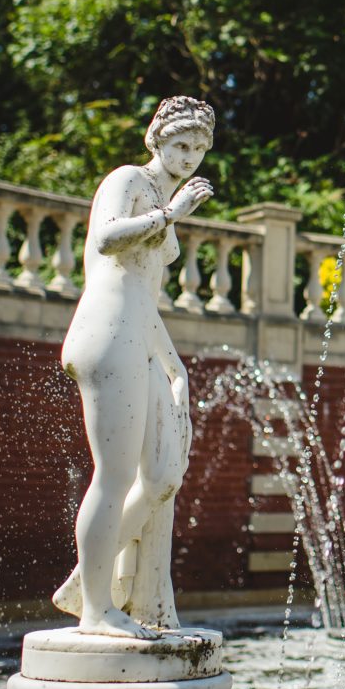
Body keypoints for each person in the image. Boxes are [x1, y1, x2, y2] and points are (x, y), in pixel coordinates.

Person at [51, 96, 215, 639]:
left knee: (164, 474)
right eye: (179, 145)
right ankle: (98, 608)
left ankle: (85, 583)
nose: (189, 156)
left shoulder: (163, 203)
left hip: (140, 333)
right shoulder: (128, 181)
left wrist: (176, 368)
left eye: (198, 148)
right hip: (107, 331)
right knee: (117, 475)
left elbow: (146, 295)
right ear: (157, 142)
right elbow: (104, 240)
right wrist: (171, 214)